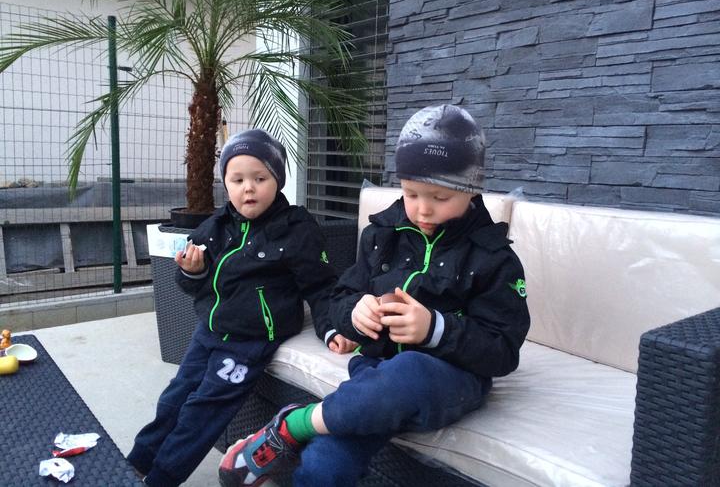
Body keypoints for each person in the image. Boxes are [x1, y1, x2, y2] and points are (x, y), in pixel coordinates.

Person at [218, 105, 531, 486]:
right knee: (324, 466)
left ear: (471, 189)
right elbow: (340, 297)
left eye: (440, 197)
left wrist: (435, 329)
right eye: (411, 193)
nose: (423, 209)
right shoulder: (382, 235)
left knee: (411, 369)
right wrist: (355, 313)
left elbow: (503, 350)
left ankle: (294, 425)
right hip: (375, 373)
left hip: (450, 379)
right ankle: (304, 438)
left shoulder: (493, 257)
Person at [127, 129, 356, 486]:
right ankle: (138, 461)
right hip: (210, 330)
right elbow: (193, 285)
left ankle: (162, 478)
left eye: (259, 178)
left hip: (250, 341)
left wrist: (331, 329)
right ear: (226, 184)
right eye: (237, 180)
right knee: (175, 396)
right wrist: (193, 271)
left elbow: (321, 285)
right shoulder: (216, 226)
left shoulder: (296, 229)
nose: (248, 188)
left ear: (277, 180)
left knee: (204, 410)